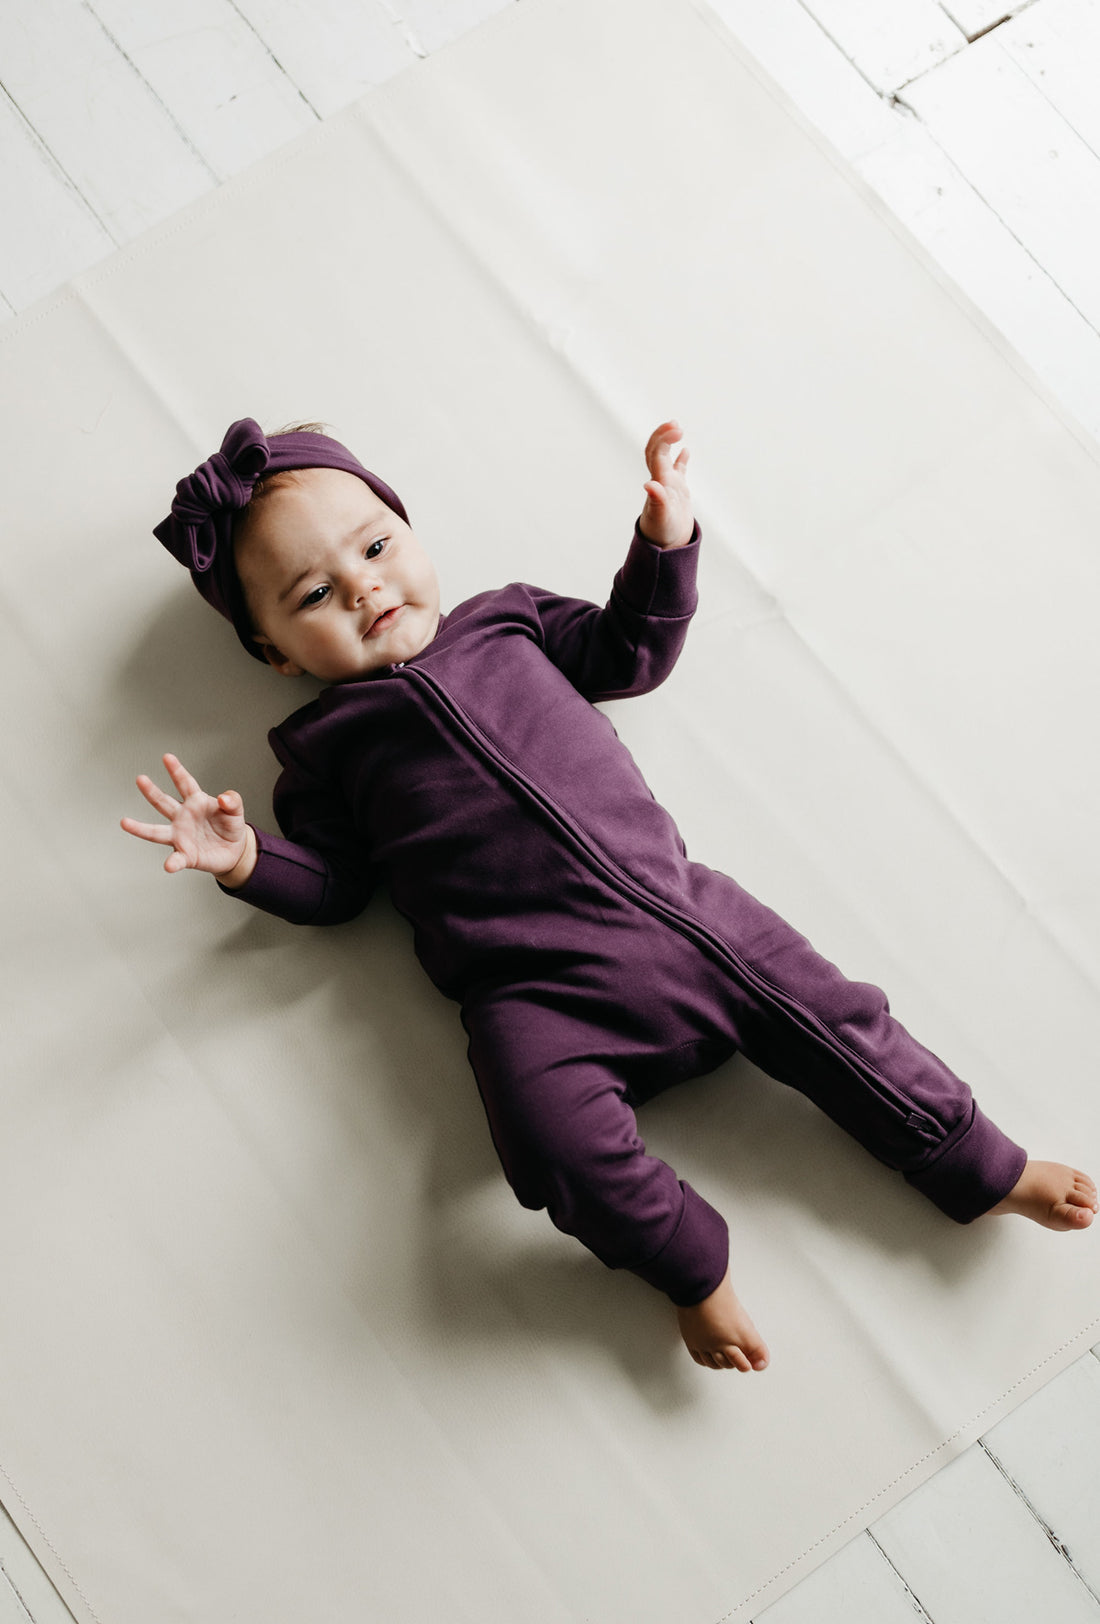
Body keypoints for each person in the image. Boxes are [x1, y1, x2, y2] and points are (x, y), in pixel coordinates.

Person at [122, 417, 1097, 1372]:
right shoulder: (318, 755)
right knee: (543, 1145)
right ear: (278, 654)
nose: (364, 586)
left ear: (410, 532)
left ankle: (980, 1165)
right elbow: (336, 886)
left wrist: (663, 543)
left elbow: (629, 651)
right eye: (313, 594)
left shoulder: (507, 620)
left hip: (685, 916)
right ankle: (689, 1265)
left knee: (841, 1021)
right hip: (533, 996)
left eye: (376, 547)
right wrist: (247, 860)